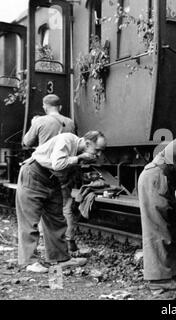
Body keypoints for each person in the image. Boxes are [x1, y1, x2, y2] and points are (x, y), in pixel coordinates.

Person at [16, 131, 107, 273]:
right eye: (97, 150)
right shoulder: (67, 139)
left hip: (52, 180)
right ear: (87, 143)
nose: (99, 155)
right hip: (33, 174)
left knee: (56, 220)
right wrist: (79, 158)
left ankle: (60, 258)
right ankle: (29, 262)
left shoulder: (79, 150)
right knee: (30, 220)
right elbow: (58, 164)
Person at [22, 94, 78, 252]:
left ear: (45, 107)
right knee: (66, 205)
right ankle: (69, 240)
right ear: (60, 107)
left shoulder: (40, 121)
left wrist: (33, 124)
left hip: (45, 171)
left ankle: (44, 245)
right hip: (64, 170)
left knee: (43, 208)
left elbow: (27, 142)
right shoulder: (70, 122)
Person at [138, 139, 176, 291]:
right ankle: (158, 281)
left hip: (164, 176)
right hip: (157, 176)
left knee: (170, 227)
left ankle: (175, 273)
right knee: (157, 229)